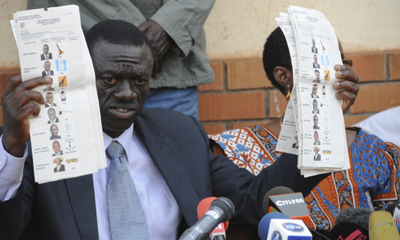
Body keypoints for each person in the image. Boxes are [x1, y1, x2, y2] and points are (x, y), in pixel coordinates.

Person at [0, 20, 328, 240]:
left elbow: (255, 200)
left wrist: (323, 120)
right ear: (83, 76)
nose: (127, 93)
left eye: (138, 81)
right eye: (110, 80)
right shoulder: (39, 148)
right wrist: (13, 146)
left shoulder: (181, 134)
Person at [209, 27, 400, 234]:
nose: (338, 73)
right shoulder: (234, 151)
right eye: (324, 63)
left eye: (342, 63)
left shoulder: (378, 153)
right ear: (284, 76)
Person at [29, 0, 216, 119]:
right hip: (80, 73)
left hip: (170, 74)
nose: (128, 94)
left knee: (176, 173)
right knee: (83, 176)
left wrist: (167, 26)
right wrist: (138, 42)